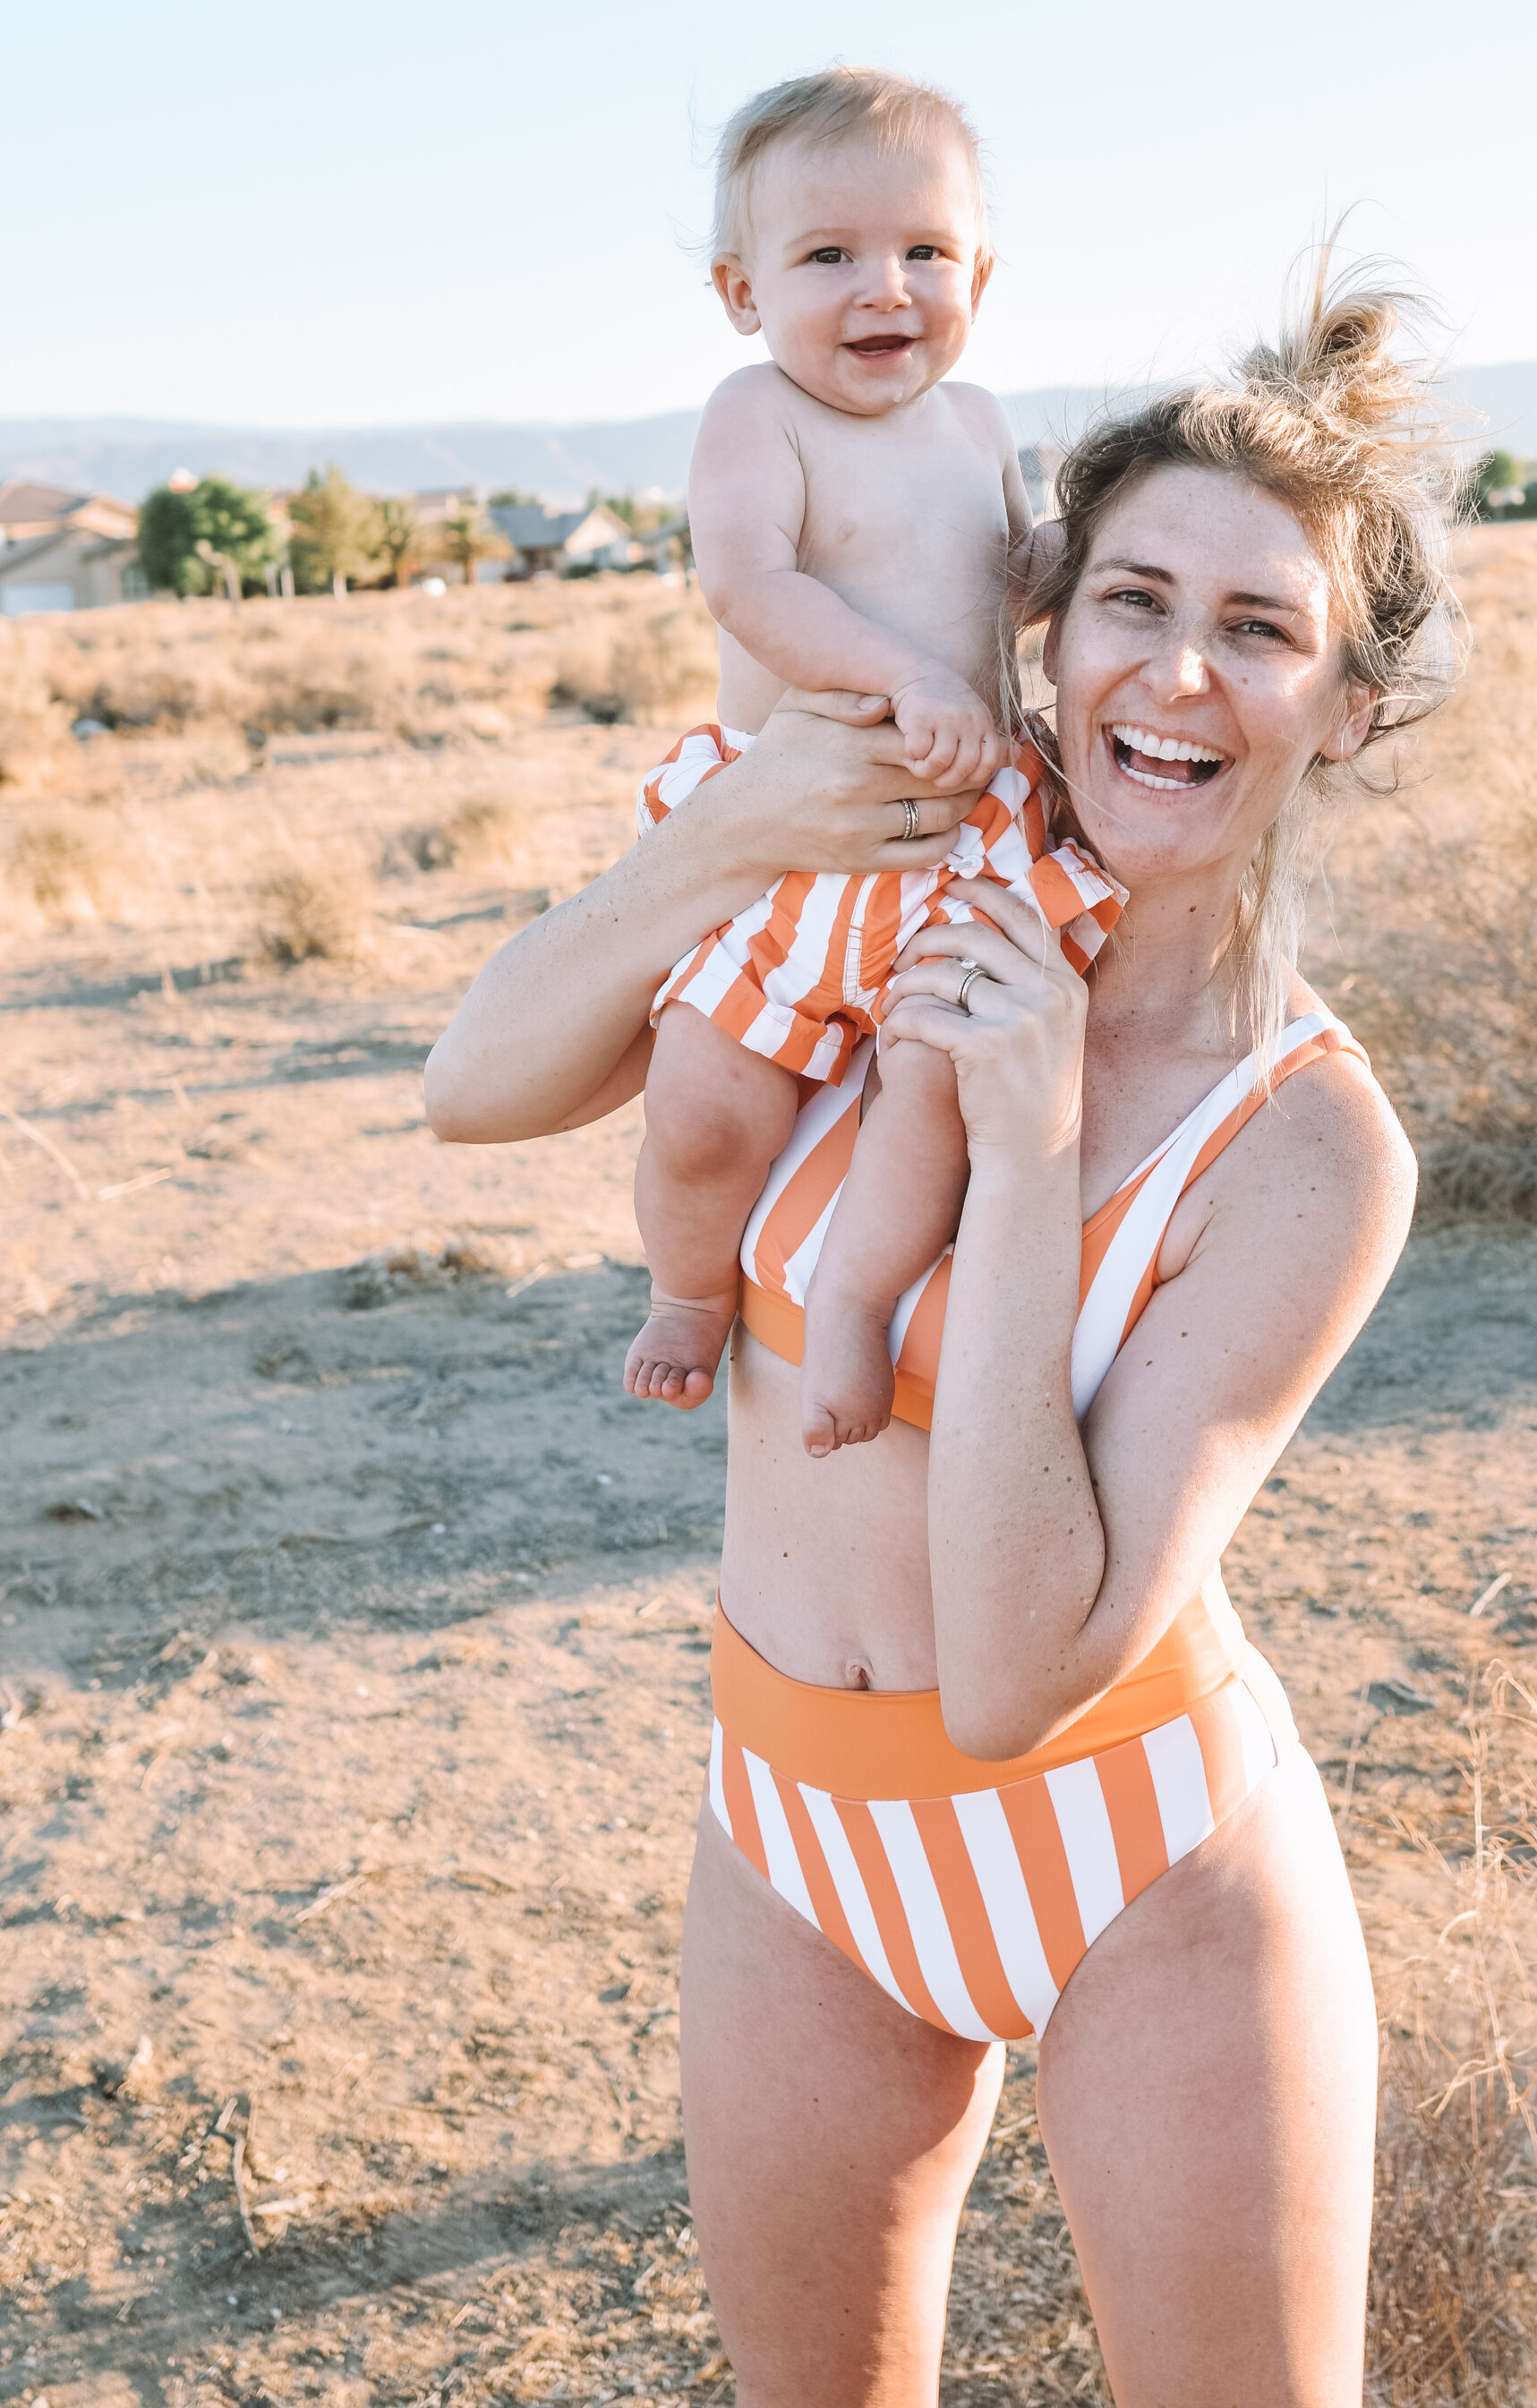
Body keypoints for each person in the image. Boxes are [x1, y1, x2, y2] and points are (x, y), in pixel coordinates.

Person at [423, 272, 1456, 2407]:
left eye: (1257, 631)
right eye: (1129, 601)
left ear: (1341, 705)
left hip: (1141, 1860)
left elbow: (1006, 1678)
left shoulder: (1307, 1149)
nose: (1175, 671)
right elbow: (479, 1080)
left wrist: (1022, 1137)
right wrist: (718, 844)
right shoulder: (893, 906)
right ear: (1045, 630)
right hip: (790, 1836)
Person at [625, 66, 1119, 1456]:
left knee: (931, 1098)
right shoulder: (757, 415)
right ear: (743, 291)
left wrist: (1052, 569)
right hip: (797, 832)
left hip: (960, 837)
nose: (882, 288)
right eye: (828, 255)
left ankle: (852, 1300)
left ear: (982, 272)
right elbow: (750, 582)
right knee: (706, 1099)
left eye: (923, 252)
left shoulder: (973, 423)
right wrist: (901, 675)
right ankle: (686, 1288)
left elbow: (992, 584)